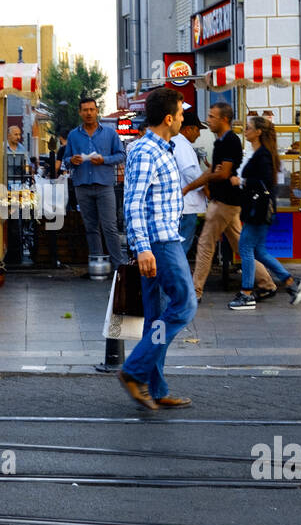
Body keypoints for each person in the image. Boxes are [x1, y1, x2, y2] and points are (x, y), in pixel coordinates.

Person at [116, 88, 196, 411]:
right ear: (168, 118)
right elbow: (132, 203)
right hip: (161, 244)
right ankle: (134, 370)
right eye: (179, 114)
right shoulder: (146, 151)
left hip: (160, 241)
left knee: (156, 319)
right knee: (185, 305)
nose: (182, 118)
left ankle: (155, 386)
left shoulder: (161, 148)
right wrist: (143, 248)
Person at [188, 103, 276, 300]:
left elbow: (223, 173)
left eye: (212, 116)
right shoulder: (221, 141)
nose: (208, 120)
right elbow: (215, 172)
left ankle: (195, 292)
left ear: (224, 119)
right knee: (239, 246)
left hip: (224, 203)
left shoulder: (230, 141)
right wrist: (198, 182)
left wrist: (207, 178)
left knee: (205, 245)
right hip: (227, 202)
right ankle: (267, 283)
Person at [226, 116, 301, 310]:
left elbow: (265, 183)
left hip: (258, 210)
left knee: (245, 248)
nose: (245, 130)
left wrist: (242, 182)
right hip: (260, 209)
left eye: (248, 128)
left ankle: (246, 294)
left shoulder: (263, 155)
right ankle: (291, 282)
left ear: (258, 132)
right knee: (259, 251)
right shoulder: (261, 153)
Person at [62, 97, 126, 270]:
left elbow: (121, 155)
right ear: (80, 112)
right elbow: (65, 160)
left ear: (97, 111)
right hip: (82, 186)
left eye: (91, 109)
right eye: (85, 110)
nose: (88, 113)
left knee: (110, 227)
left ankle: (119, 266)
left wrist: (104, 160)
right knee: (90, 228)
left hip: (104, 186)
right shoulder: (74, 135)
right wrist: (72, 160)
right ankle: (98, 265)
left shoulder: (110, 133)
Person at [171, 110, 208, 257]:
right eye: (197, 130)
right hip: (186, 206)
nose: (198, 134)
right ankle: (176, 278)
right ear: (188, 129)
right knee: (181, 247)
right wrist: (205, 186)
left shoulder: (179, 143)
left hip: (185, 205)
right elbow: (190, 173)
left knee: (179, 246)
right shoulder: (182, 145)